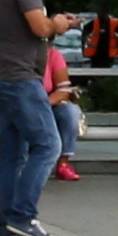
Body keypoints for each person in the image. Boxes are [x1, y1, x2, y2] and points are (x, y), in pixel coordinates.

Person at [0, 0, 80, 236]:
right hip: (20, 79)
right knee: (48, 145)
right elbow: (39, 27)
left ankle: (8, 223)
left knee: (12, 152)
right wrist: (58, 24)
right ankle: (23, 217)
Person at [43, 43, 85, 181]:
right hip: (23, 102)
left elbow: (64, 90)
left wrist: (45, 104)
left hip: (48, 102)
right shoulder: (15, 55)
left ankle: (63, 163)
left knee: (70, 112)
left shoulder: (52, 55)